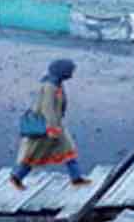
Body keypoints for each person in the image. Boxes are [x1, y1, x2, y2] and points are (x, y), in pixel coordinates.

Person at [10, 59, 92, 190]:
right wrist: (52, 127)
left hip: (57, 125)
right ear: (62, 71)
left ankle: (76, 178)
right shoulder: (50, 86)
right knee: (34, 153)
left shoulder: (57, 84)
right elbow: (47, 108)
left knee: (69, 149)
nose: (72, 73)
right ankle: (16, 177)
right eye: (70, 70)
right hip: (47, 127)